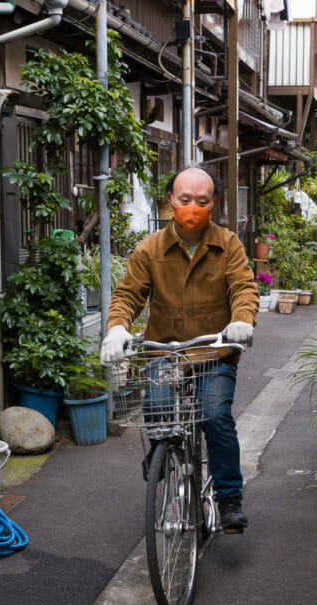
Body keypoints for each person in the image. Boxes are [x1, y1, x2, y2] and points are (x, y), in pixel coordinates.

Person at [100, 167, 258, 531]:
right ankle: (162, 450)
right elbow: (128, 294)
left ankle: (229, 497)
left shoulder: (228, 244)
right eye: (184, 200)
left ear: (213, 204)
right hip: (166, 353)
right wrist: (117, 328)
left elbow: (244, 289)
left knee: (215, 416)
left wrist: (242, 321)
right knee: (156, 409)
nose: (192, 208)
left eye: (202, 202)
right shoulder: (150, 248)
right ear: (170, 200)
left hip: (213, 353)